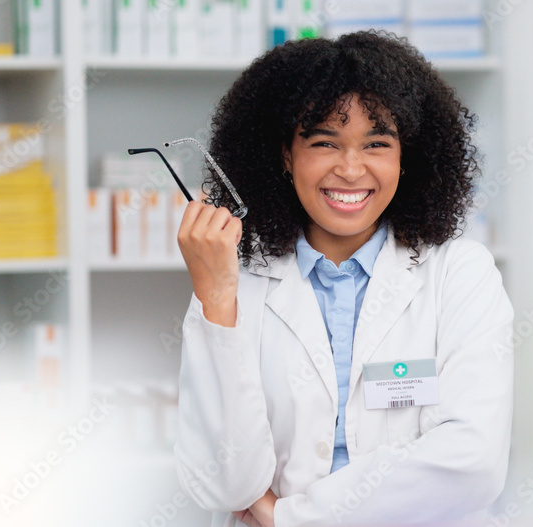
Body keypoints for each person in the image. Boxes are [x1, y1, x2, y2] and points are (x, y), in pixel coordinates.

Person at [174, 31, 514, 527]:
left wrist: (291, 518)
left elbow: (473, 463)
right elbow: (223, 484)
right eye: (324, 142)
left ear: (405, 156)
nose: (351, 169)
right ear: (287, 156)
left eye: (376, 143)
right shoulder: (233, 280)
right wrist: (217, 299)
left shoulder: (459, 272)